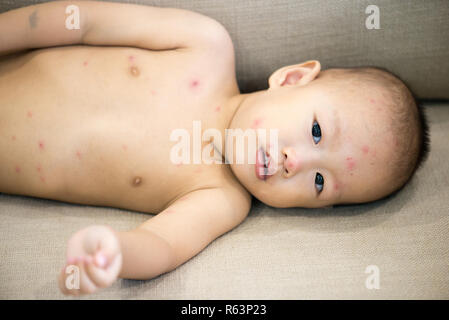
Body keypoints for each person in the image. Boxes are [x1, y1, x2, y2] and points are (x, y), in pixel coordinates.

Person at [0, 1, 429, 295]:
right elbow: (84, 21)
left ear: (312, 210)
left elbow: (162, 246)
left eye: (319, 181)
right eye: (316, 132)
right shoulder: (205, 45)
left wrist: (116, 254)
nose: (294, 162)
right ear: (293, 78)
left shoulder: (221, 197)